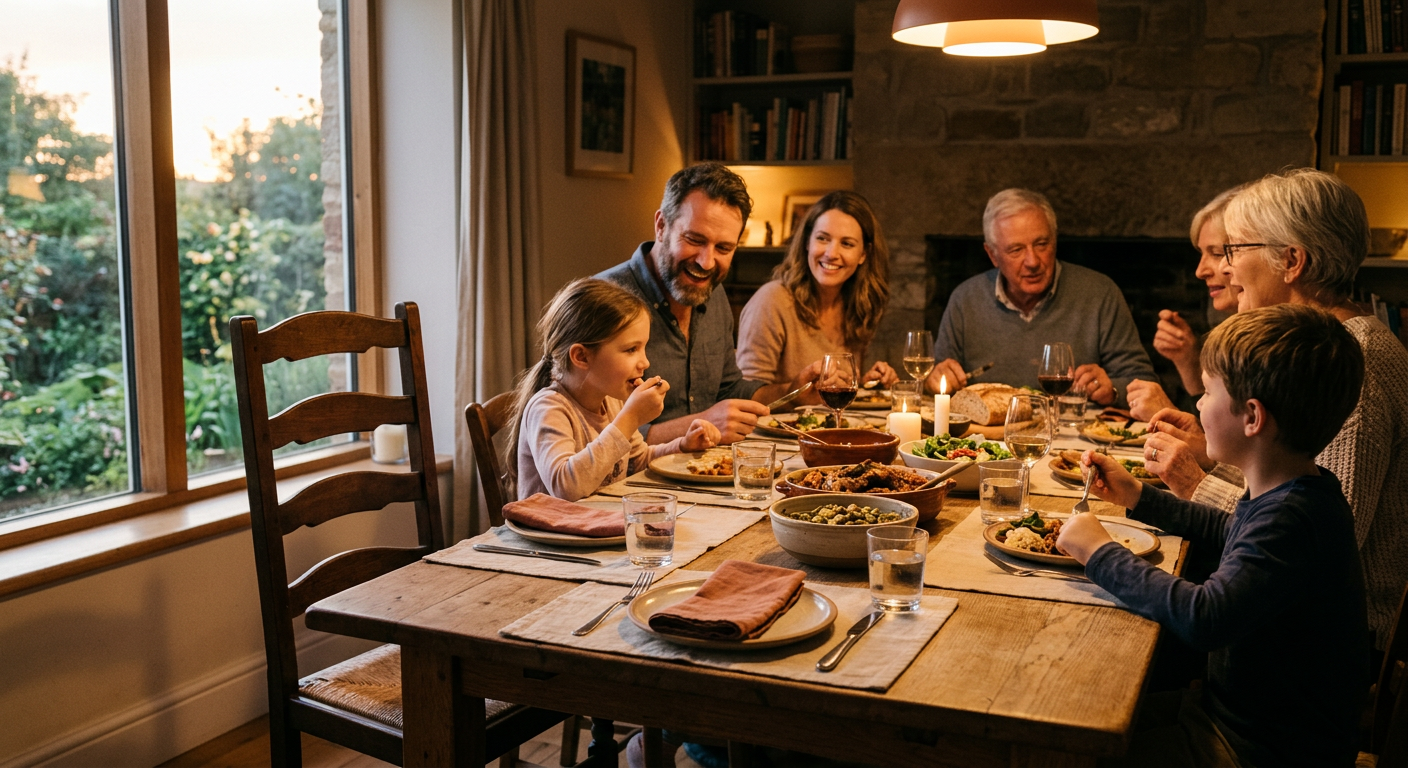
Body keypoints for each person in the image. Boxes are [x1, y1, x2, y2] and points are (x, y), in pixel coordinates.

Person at [1058, 304, 1368, 768]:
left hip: (1257, 750)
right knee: (1076, 719)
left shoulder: (1291, 517)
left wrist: (1099, 552)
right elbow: (1226, 528)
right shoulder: (1293, 491)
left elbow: (1204, 616)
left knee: (1069, 749)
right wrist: (1137, 495)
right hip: (1235, 721)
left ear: (1252, 417)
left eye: (1206, 393)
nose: (1197, 405)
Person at [1138, 168, 1408, 655]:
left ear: (1292, 261)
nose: (1225, 268)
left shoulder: (1350, 364)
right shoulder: (1318, 349)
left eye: (1235, 249)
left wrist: (1196, 484)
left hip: (1326, 645)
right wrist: (1208, 452)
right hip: (1289, 612)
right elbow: (1286, 478)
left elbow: (1310, 536)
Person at [598, 162, 816, 444]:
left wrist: (793, 393)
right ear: (661, 226)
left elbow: (728, 390)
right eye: (694, 239)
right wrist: (700, 424)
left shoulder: (712, 290)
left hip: (702, 477)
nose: (707, 262)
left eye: (723, 248)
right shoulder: (603, 300)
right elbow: (589, 436)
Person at [924, 188, 1155, 406]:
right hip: (987, 439)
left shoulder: (1100, 293)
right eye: (1016, 250)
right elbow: (935, 380)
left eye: (1041, 244)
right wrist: (935, 379)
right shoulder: (966, 299)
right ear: (992, 255)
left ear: (1055, 242)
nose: (1033, 262)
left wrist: (1112, 389)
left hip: (1076, 439)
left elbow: (1144, 382)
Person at [504, 278, 720, 502]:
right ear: (581, 356)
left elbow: (638, 460)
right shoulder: (549, 408)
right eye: (631, 349)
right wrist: (630, 418)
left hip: (598, 524)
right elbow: (566, 488)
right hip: (547, 532)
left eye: (643, 347)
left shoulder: (612, 401)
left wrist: (683, 446)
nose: (645, 362)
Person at [736, 190, 899, 388]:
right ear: (807, 242)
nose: (831, 253)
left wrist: (866, 385)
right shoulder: (772, 301)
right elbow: (745, 395)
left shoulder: (856, 306)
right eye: (822, 238)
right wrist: (799, 390)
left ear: (863, 254)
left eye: (846, 244)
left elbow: (832, 397)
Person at [1126, 186, 1245, 421]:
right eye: (1201, 253)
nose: (1200, 271)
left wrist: (1164, 413)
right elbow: (1213, 431)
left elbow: (1222, 452)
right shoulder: (1229, 324)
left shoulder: (1273, 344)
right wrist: (1188, 360)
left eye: (1217, 253)